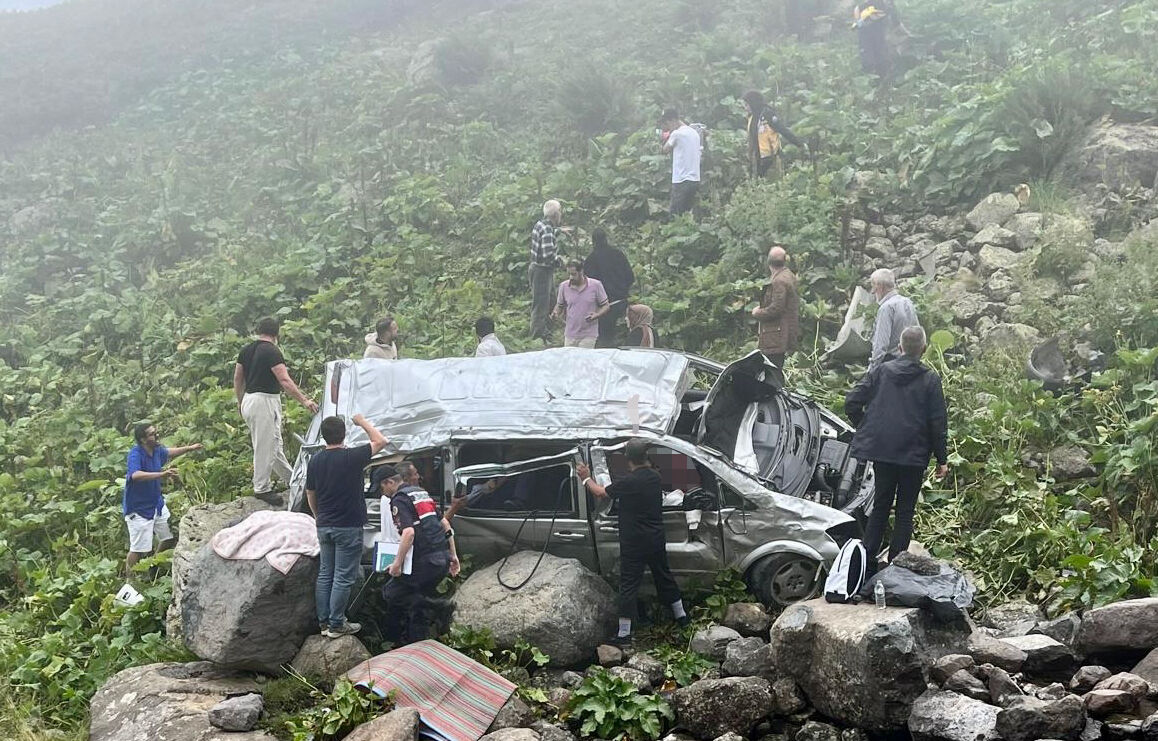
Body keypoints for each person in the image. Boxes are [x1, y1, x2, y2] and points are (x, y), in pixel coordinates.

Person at [845, 326, 948, 568]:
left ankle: (866, 563)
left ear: (900, 348)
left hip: (882, 452)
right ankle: (895, 566)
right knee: (905, 511)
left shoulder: (882, 371)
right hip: (913, 456)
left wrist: (867, 427)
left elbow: (852, 402)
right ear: (924, 349)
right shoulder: (930, 379)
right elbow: (938, 422)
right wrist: (941, 459)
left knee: (881, 505)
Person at [577, 439, 689, 646]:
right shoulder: (655, 478)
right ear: (646, 457)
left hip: (634, 542)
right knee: (663, 576)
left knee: (629, 585)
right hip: (655, 539)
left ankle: (624, 634)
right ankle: (682, 617)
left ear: (628, 459)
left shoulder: (628, 482)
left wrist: (586, 478)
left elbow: (600, 493)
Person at [306, 413, 388, 638]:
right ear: (344, 434)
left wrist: (318, 515)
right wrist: (361, 421)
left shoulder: (315, 461)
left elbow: (310, 492)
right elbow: (381, 441)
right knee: (343, 576)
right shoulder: (352, 456)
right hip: (348, 525)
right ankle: (336, 624)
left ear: (323, 437)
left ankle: (324, 624)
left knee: (325, 574)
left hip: (325, 525)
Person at [234, 317, 319, 503]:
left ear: (258, 330)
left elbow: (238, 378)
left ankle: (293, 480)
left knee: (274, 445)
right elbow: (284, 380)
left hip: (249, 399)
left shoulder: (246, 350)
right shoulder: (272, 351)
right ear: (276, 333)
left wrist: (240, 402)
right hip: (264, 401)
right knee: (265, 445)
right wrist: (304, 401)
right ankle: (261, 487)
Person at [381, 461, 460, 646]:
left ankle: (437, 604)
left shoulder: (399, 499)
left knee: (391, 593)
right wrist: (453, 556)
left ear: (389, 482)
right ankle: (415, 644)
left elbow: (408, 533)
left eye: (381, 487)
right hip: (440, 558)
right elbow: (445, 525)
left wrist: (397, 565)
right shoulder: (420, 494)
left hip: (425, 561)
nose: (382, 492)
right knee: (418, 608)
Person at [123, 422, 202, 575]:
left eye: (156, 432)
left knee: (167, 537)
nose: (156, 435)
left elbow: (169, 452)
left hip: (156, 504)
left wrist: (189, 448)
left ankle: (153, 566)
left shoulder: (157, 450)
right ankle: (130, 581)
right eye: (152, 434)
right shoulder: (136, 453)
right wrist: (162, 474)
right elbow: (135, 475)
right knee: (137, 550)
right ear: (143, 439)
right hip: (138, 509)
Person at [751, 245, 800, 368]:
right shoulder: (789, 275)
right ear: (784, 260)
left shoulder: (779, 281)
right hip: (784, 333)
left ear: (768, 262)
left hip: (776, 336)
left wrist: (758, 313)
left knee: (772, 372)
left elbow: (776, 308)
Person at [584, 229, 634, 347]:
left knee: (605, 339)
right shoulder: (618, 254)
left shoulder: (591, 259)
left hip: (602, 307)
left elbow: (587, 286)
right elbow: (631, 277)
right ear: (606, 238)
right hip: (621, 302)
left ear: (593, 242)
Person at [741, 91, 807, 179]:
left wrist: (799, 144)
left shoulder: (768, 115)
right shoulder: (751, 117)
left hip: (770, 158)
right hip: (757, 158)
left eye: (747, 105)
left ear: (753, 103)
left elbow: (783, 131)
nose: (745, 108)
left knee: (772, 182)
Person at [868, 267, 919, 370]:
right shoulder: (907, 302)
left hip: (891, 366)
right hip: (910, 363)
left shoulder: (886, 308)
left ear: (880, 287)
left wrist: (871, 373)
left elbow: (881, 346)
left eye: (874, 287)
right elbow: (918, 333)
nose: (873, 292)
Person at [552, 259, 610, 348]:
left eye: (574, 274)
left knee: (584, 360)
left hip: (589, 334)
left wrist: (597, 314)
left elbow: (606, 305)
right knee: (570, 361)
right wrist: (555, 313)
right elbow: (559, 305)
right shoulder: (564, 286)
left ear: (581, 271)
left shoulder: (595, 285)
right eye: (569, 274)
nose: (571, 277)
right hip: (570, 334)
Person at [530, 200, 566, 343]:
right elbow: (548, 256)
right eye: (560, 212)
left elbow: (546, 238)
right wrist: (562, 262)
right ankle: (537, 336)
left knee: (551, 300)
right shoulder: (547, 231)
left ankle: (546, 331)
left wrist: (560, 231)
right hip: (542, 271)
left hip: (537, 268)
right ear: (556, 214)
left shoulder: (541, 224)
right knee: (540, 305)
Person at [659, 108, 701, 217]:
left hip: (681, 181)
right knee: (687, 216)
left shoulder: (677, 134)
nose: (667, 127)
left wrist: (663, 137)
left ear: (673, 120)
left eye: (667, 123)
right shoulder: (694, 132)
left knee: (675, 217)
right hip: (694, 180)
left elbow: (665, 150)